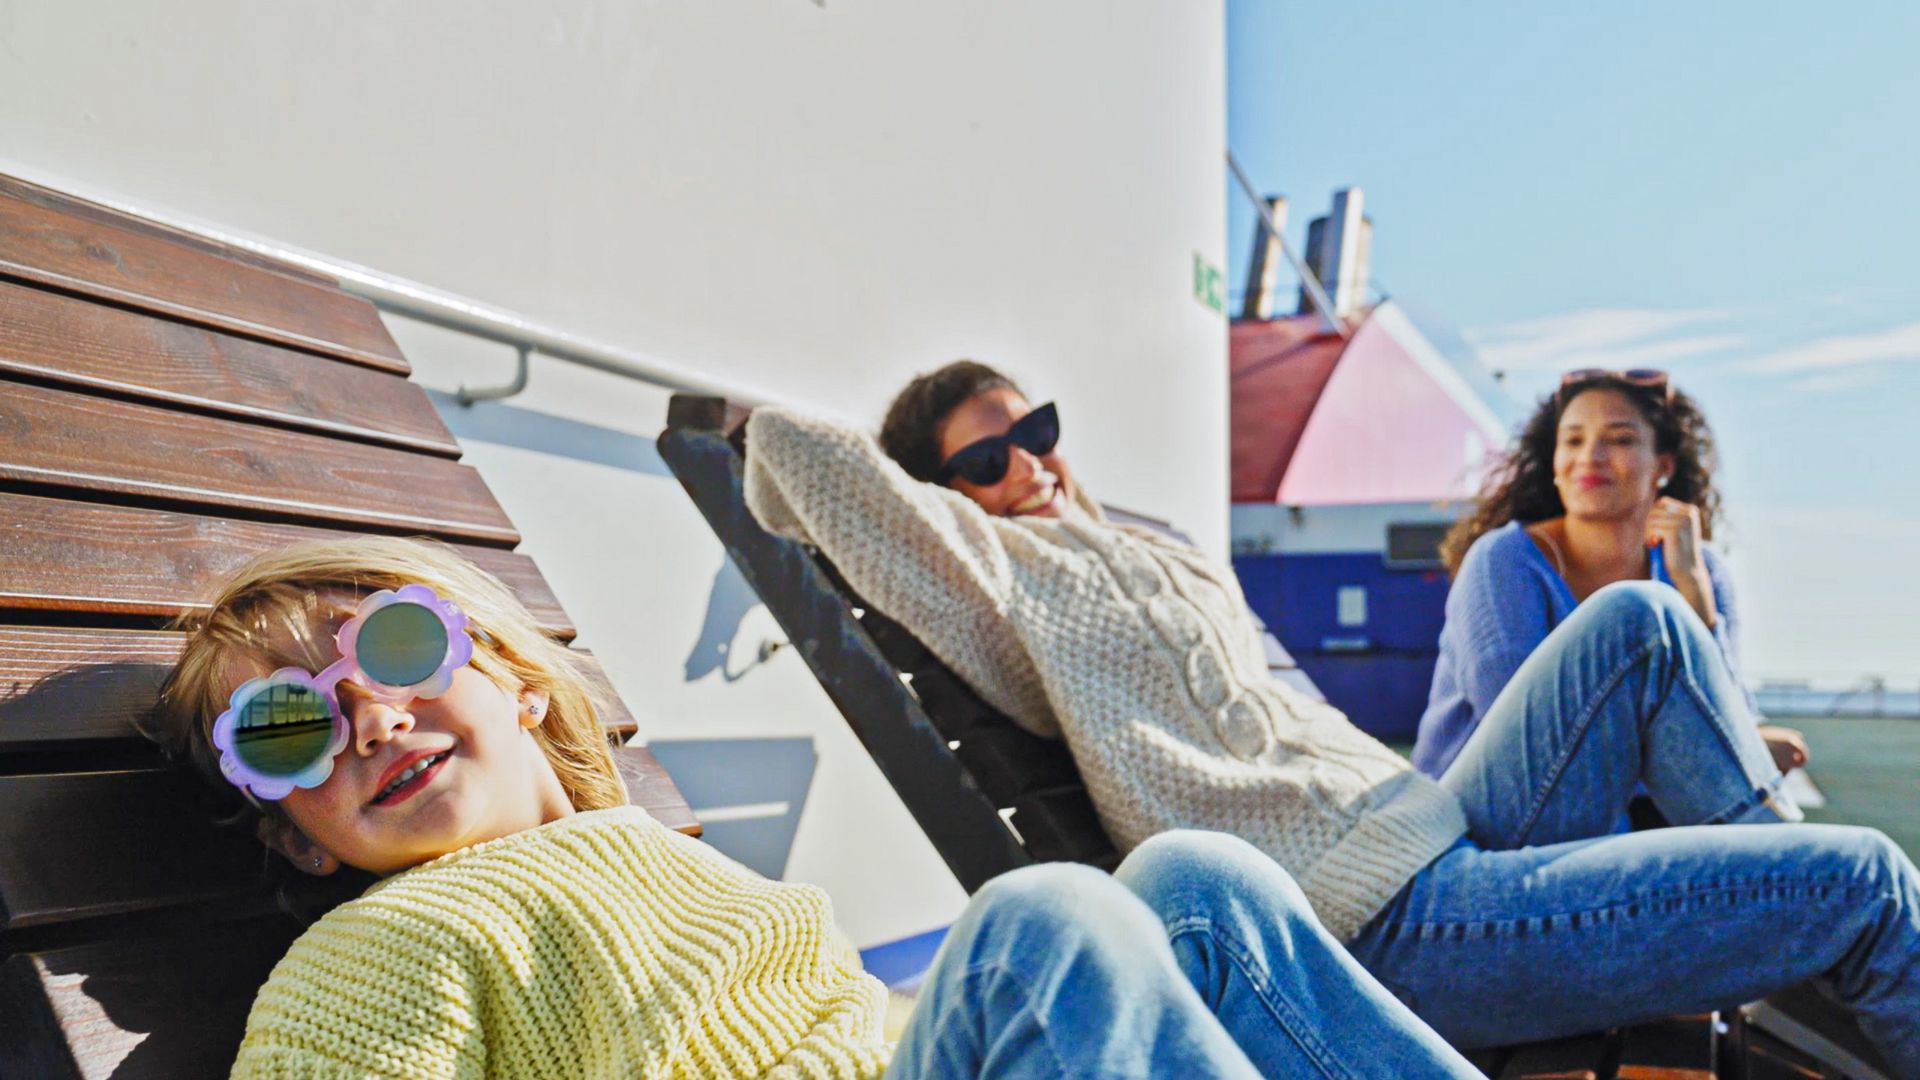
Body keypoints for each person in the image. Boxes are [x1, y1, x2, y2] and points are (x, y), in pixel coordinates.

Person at [741, 360, 1920, 1066]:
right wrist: (736, 424)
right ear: (940, 500)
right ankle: (1824, 951)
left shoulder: (1149, 547)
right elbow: (808, 460)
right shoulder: (992, 579)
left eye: (1035, 430)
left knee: (1641, 628)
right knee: (1865, 881)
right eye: (987, 457)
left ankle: (1792, 930)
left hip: (1432, 822)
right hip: (1389, 923)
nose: (1029, 466)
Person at [148, 536, 1482, 1079]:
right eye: (287, 732)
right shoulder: (377, 951)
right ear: (291, 837)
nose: (367, 719)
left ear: (516, 681)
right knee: (1047, 925)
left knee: (1202, 888)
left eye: (390, 657)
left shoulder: (642, 848)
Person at [1414, 368, 1807, 779]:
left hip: (1629, 817)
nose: (1591, 457)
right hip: (1488, 812)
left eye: (1620, 439)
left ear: (1664, 466)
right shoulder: (1504, 561)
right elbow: (1524, 736)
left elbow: (1730, 717)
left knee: (1860, 848)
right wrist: (1718, 745)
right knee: (1633, 609)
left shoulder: (1703, 570)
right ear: (1554, 461)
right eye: (1574, 440)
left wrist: (1691, 588)